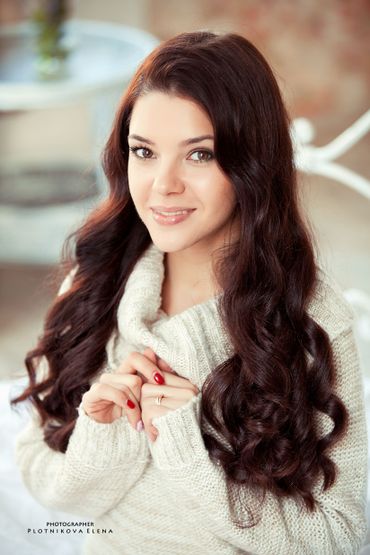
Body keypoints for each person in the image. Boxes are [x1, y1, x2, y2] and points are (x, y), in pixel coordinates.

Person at [11, 30, 368, 555]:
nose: (163, 185)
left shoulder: (311, 321)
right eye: (144, 151)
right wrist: (101, 432)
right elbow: (52, 487)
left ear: (252, 164)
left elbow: (337, 536)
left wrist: (185, 447)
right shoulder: (96, 282)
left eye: (199, 155)